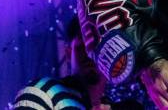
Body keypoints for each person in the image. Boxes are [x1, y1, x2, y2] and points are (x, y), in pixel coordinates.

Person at [13, 17, 143, 109]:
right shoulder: (42, 92)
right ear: (69, 53)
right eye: (84, 47)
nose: (91, 55)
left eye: (100, 47)